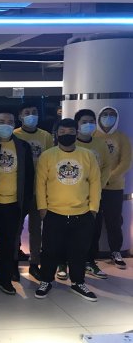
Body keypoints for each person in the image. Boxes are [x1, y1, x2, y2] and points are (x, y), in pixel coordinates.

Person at [35, 118, 101, 301]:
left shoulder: (87, 155)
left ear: (76, 133)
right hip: (54, 212)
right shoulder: (47, 156)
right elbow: (40, 184)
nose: (67, 135)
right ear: (56, 134)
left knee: (79, 250)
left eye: (71, 132)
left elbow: (95, 183)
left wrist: (93, 209)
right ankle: (46, 280)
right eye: (62, 132)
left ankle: (78, 282)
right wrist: (42, 208)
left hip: (82, 213)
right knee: (49, 250)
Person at [0, 110, 34, 296]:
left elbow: (29, 176)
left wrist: (25, 204)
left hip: (13, 204)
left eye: (9, 121)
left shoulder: (23, 146)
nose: (6, 124)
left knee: (8, 244)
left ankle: (4, 279)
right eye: (2, 121)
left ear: (15, 123)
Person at [13, 102, 54, 280]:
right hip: (20, 190)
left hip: (40, 190)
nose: (31, 115)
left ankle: (34, 263)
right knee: (16, 228)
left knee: (36, 229)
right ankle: (13, 263)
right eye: (27, 112)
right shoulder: (14, 135)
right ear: (20, 116)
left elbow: (52, 161)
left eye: (34, 111)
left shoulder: (45, 136)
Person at [72, 109, 111, 279]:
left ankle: (90, 261)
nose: (88, 125)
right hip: (74, 194)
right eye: (84, 122)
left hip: (95, 195)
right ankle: (67, 261)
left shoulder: (100, 144)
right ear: (77, 124)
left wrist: (98, 186)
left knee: (93, 229)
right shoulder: (71, 143)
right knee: (72, 231)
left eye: (91, 121)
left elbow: (106, 166)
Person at [95, 106, 132, 269]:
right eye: (105, 114)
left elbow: (125, 162)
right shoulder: (93, 136)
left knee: (114, 221)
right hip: (94, 187)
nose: (108, 117)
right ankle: (91, 253)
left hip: (114, 187)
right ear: (99, 117)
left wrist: (108, 178)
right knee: (94, 221)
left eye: (112, 115)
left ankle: (116, 251)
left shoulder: (122, 138)